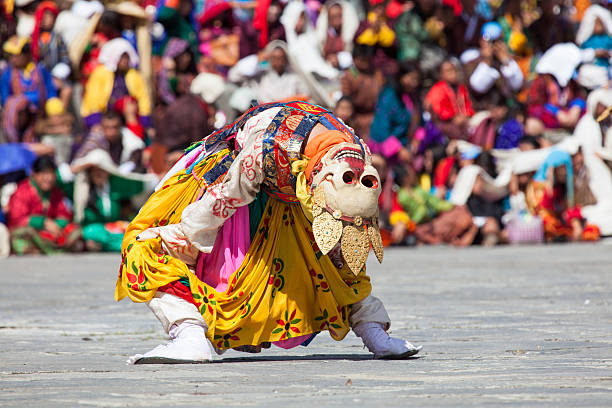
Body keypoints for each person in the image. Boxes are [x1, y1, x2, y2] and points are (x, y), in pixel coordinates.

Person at [117, 101, 421, 363]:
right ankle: (188, 333)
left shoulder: (357, 158)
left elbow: (351, 237)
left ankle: (373, 331)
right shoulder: (265, 150)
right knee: (143, 245)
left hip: (288, 200)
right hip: (227, 183)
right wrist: (184, 236)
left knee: (338, 254)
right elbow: (221, 201)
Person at [6, 155, 82, 255]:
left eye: (51, 173)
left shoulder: (55, 192)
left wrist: (56, 225)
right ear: (34, 174)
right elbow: (17, 218)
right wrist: (43, 222)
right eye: (44, 173)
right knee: (23, 234)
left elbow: (64, 214)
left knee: (76, 230)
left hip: (52, 235)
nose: (49, 178)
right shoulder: (22, 191)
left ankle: (51, 249)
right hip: (32, 233)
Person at [81, 38, 152, 130]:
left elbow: (143, 100)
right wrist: (96, 122)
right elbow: (93, 100)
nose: (124, 60)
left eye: (126, 57)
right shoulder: (100, 73)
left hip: (129, 118)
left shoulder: (134, 75)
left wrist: (145, 122)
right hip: (104, 118)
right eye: (122, 57)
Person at [1, 36, 57, 143]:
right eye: (11, 56)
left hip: (39, 115)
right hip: (19, 116)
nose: (13, 59)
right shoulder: (7, 74)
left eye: (17, 56)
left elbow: (50, 91)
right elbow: (5, 98)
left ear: (27, 55)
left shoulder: (40, 71)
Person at [425, 58, 475, 140]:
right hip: (446, 123)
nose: (453, 73)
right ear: (441, 74)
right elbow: (438, 109)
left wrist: (465, 116)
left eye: (454, 70)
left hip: (463, 120)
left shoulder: (461, 88)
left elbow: (468, 105)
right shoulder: (438, 89)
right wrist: (453, 118)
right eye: (448, 71)